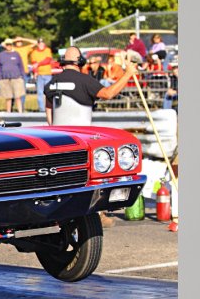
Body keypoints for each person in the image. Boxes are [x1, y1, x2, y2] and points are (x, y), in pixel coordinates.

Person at [45, 46, 138, 228]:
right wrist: (127, 74)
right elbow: (108, 94)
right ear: (80, 62)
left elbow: (49, 110)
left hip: (58, 139)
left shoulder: (52, 82)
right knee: (89, 176)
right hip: (82, 139)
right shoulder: (84, 81)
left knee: (63, 178)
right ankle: (95, 214)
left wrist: (54, 128)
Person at [25, 37, 54, 113]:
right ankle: (42, 109)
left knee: (49, 92)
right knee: (40, 93)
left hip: (47, 74)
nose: (41, 45)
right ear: (38, 44)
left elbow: (48, 60)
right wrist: (35, 72)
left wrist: (39, 63)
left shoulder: (47, 50)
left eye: (42, 43)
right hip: (39, 75)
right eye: (39, 43)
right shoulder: (34, 52)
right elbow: (34, 64)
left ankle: (50, 108)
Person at [0, 39, 25, 112]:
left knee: (18, 97)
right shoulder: (1, 55)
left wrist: (22, 76)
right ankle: (8, 113)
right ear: (5, 46)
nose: (9, 46)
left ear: (12, 45)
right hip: (4, 79)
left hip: (16, 78)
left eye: (10, 44)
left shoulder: (16, 54)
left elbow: (21, 66)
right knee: (8, 98)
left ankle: (20, 112)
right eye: (7, 45)